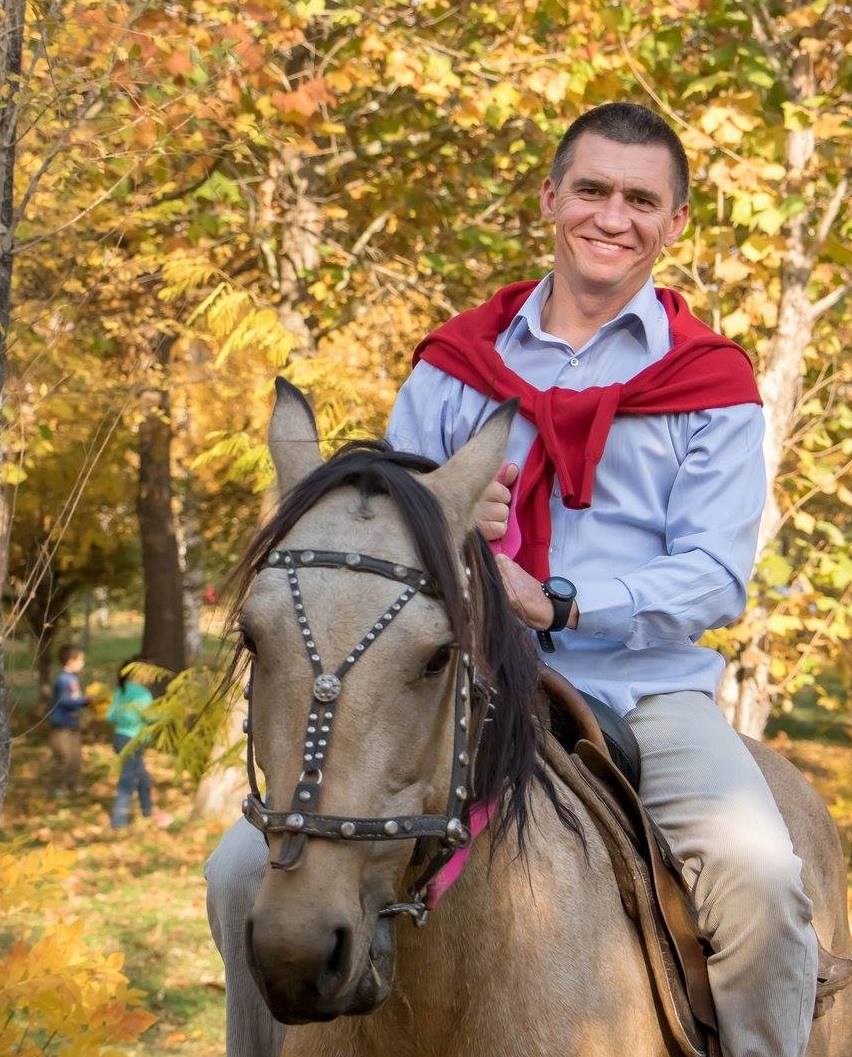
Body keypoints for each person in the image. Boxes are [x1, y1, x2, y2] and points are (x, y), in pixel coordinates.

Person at [206, 102, 816, 1057]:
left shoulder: (710, 383)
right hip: (456, 686)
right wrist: (448, 526)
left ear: (674, 222)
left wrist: (559, 600)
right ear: (549, 198)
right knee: (239, 871)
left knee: (761, 879)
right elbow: (389, 555)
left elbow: (712, 574)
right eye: (591, 190)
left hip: (642, 691)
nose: (612, 216)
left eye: (640, 200)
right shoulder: (456, 365)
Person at [106, 658, 156, 828]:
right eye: (150, 672)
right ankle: (118, 820)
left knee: (143, 777)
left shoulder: (120, 690)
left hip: (119, 738)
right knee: (128, 778)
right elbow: (150, 716)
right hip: (133, 740)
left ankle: (148, 811)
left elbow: (110, 715)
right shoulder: (143, 694)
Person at [49, 644, 91, 794]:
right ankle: (59, 786)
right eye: (80, 660)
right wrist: (84, 700)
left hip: (73, 723)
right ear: (70, 661)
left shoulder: (73, 678)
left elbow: (74, 698)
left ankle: (74, 784)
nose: (82, 663)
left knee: (75, 756)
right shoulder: (63, 679)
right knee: (63, 756)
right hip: (62, 725)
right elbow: (65, 701)